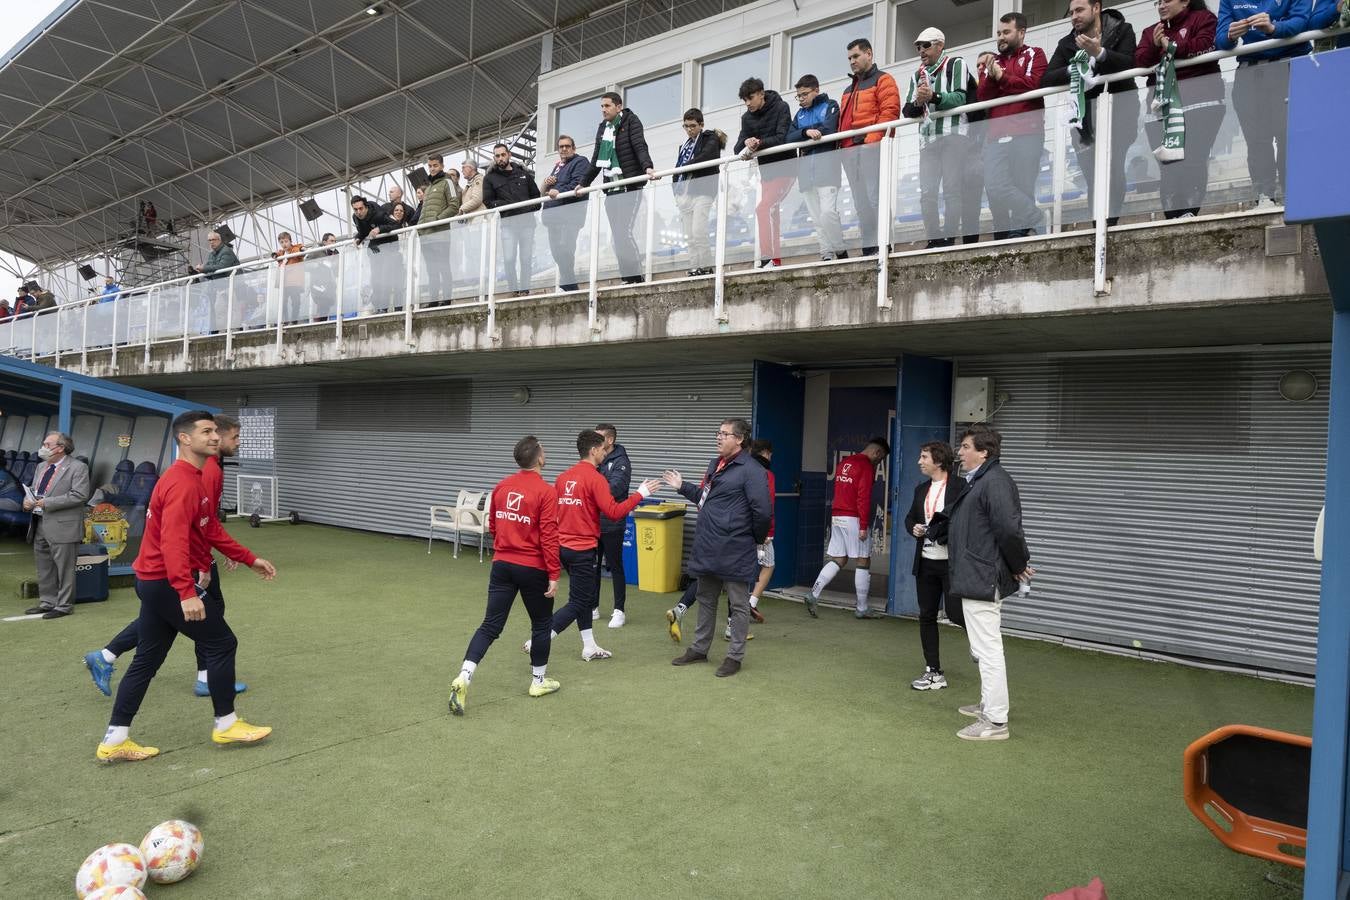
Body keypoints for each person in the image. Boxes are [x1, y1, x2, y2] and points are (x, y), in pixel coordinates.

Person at [95, 411, 276, 762]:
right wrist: (187, 591)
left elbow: (209, 531)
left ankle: (115, 739)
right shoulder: (182, 482)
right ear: (184, 439)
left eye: (214, 432)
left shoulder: (196, 477)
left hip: (152, 580)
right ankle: (226, 724)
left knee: (147, 658)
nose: (214, 437)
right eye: (205, 432)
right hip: (163, 581)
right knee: (222, 642)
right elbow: (173, 541)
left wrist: (250, 558)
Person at [448, 435, 562, 716]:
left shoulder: (501, 486)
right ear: (538, 458)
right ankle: (538, 681)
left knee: (490, 625)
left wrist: (504, 545)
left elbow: (493, 525)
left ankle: (464, 676)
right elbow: (548, 536)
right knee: (541, 622)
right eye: (543, 450)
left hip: (502, 564)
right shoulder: (546, 492)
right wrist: (554, 573)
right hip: (533, 567)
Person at [522, 430, 660, 660]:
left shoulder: (563, 477)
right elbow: (614, 512)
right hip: (582, 550)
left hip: (562, 548)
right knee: (579, 601)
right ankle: (538, 639)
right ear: (594, 450)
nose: (606, 453)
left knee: (582, 598)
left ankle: (589, 646)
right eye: (604, 449)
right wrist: (640, 494)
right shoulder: (596, 478)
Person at [663, 418, 771, 677]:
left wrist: (754, 539)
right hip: (709, 544)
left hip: (735, 547)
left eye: (725, 434)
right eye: (718, 433)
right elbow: (705, 498)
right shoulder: (716, 464)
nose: (719, 438)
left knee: (739, 604)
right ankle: (699, 650)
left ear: (740, 439)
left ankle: (734, 657)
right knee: (706, 599)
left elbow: (763, 512)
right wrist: (683, 487)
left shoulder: (752, 470)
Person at [947, 425, 1033, 742]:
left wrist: (1019, 564)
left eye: (966, 447)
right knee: (982, 648)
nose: (960, 452)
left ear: (984, 452)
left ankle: (995, 722)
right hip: (975, 575)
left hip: (983, 577)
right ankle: (987, 705)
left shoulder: (995, 482)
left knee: (988, 649)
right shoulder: (982, 480)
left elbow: (1009, 530)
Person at [1043, 0, 1141, 227]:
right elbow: (1046, 78)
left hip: (1120, 108)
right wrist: (1076, 67)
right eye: (1071, 12)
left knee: (1113, 166)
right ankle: (1098, 223)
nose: (1074, 16)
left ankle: (1109, 223)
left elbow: (1130, 62)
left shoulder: (1122, 30)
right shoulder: (1067, 42)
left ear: (1096, 8)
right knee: (1091, 173)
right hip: (1083, 116)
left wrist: (1100, 53)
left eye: (1080, 10)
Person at [1216, 0, 1311, 207]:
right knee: (1257, 140)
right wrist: (1231, 35)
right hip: (1250, 72)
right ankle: (1264, 195)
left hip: (1290, 67)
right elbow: (1221, 39)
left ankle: (1294, 195)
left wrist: (1273, 28)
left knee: (1289, 136)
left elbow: (1302, 22)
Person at [1136, 0, 1225, 218]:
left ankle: (1189, 212)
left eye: (1167, 0)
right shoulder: (1151, 31)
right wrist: (1156, 46)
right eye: (1158, 1)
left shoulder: (1204, 18)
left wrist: (1173, 47)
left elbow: (1206, 45)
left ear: (1185, 1)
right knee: (1168, 165)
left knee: (1194, 159)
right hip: (1159, 109)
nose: (1161, 5)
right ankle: (1171, 216)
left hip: (1200, 102)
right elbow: (1138, 63)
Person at [902, 441, 968, 691]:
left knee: (956, 612)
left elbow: (966, 520)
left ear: (938, 461)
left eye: (923, 457)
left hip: (952, 564)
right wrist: (915, 528)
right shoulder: (921, 489)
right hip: (926, 563)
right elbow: (910, 517)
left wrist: (942, 532)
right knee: (926, 615)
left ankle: (979, 643)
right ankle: (933, 671)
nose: (919, 461)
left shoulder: (961, 487)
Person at [977, 13, 1049, 239]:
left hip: (1028, 131)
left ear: (1021, 32)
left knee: (1024, 184)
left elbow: (1033, 84)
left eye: (1006, 32)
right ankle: (1036, 216)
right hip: (997, 133)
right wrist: (992, 76)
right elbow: (983, 97)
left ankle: (1020, 233)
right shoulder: (993, 61)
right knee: (994, 184)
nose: (1001, 37)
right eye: (999, 33)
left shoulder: (1035, 54)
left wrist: (1003, 78)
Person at [804, 437, 890, 619]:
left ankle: (813, 593)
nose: (878, 462)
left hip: (837, 516)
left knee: (839, 558)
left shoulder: (846, 462)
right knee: (863, 560)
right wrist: (864, 526)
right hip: (853, 518)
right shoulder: (865, 466)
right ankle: (862, 607)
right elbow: (863, 497)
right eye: (880, 459)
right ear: (877, 453)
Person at [903, 28, 971, 248]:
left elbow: (961, 98)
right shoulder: (917, 74)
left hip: (953, 136)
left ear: (940, 45)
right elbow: (907, 110)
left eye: (926, 45)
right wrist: (918, 102)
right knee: (927, 193)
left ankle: (949, 238)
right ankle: (933, 239)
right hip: (928, 140)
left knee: (951, 189)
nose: (921, 50)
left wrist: (934, 96)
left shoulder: (956, 64)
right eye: (918, 47)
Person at [579, 92, 655, 285]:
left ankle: (636, 276)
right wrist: (583, 184)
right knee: (617, 235)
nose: (603, 110)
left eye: (607, 106)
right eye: (602, 107)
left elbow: (639, 146)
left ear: (619, 106)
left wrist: (647, 166)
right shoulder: (602, 128)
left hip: (630, 184)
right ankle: (627, 277)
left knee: (624, 231)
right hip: (611, 188)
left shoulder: (631, 121)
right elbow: (597, 158)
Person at [839, 37, 901, 256]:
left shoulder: (884, 80)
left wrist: (870, 143)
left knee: (876, 199)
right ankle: (869, 249)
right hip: (851, 153)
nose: (852, 61)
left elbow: (890, 113)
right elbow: (843, 124)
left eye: (855, 56)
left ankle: (882, 245)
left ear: (869, 54)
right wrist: (843, 149)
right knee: (861, 204)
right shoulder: (848, 89)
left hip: (873, 150)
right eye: (849, 58)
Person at [22, 432, 90, 619]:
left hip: (64, 525)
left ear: (60, 448)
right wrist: (27, 501)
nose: (43, 447)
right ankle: (47, 602)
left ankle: (64, 605)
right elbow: (36, 491)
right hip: (40, 521)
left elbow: (80, 495)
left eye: (47, 444)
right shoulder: (41, 466)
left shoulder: (78, 467)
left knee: (65, 568)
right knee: (44, 566)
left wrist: (47, 502)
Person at [734, 77, 794, 268]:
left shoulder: (781, 107)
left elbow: (782, 137)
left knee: (763, 208)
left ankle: (767, 258)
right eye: (744, 100)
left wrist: (758, 143)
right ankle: (774, 261)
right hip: (766, 173)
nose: (748, 103)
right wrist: (746, 143)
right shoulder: (746, 118)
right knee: (771, 212)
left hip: (787, 168)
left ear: (761, 94)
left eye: (750, 98)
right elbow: (737, 149)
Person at [786, 75, 845, 261]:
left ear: (816, 90)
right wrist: (805, 133)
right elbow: (788, 137)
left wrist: (804, 139)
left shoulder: (831, 105)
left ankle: (841, 251)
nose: (801, 98)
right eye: (798, 95)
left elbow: (828, 129)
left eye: (804, 94)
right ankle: (826, 254)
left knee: (828, 213)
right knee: (817, 219)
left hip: (827, 170)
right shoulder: (799, 114)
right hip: (805, 174)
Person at [483, 142, 541, 297]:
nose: (500, 158)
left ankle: (525, 290)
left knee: (526, 258)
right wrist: (511, 205)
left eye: (503, 154)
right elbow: (488, 202)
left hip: (527, 223)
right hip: (508, 224)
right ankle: (514, 290)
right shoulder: (490, 178)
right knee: (509, 258)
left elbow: (536, 197)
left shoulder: (524, 174)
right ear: (494, 158)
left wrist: (528, 208)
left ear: (509, 155)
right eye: (497, 156)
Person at [672, 108, 724, 277]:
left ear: (701, 125)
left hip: (703, 191)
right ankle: (695, 266)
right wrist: (676, 192)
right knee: (689, 235)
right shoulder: (684, 146)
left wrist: (688, 166)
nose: (689, 130)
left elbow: (708, 156)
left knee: (698, 231)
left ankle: (706, 265)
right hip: (685, 193)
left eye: (692, 126)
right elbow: (677, 168)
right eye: (685, 126)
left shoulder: (710, 138)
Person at [593, 423, 633, 627]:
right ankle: (593, 607)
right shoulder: (594, 458)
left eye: (598, 437)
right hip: (592, 522)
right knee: (592, 566)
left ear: (610, 440)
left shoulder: (622, 462)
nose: (595, 441)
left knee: (615, 566)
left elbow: (615, 488)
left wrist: (593, 488)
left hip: (613, 523)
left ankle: (619, 611)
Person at [542, 134, 590, 292]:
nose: (563, 149)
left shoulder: (580, 161)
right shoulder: (558, 166)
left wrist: (558, 190)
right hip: (553, 216)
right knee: (557, 253)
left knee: (565, 250)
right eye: (561, 146)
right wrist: (547, 185)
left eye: (567, 146)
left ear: (573, 148)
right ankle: (569, 285)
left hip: (569, 215)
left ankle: (570, 286)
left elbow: (578, 183)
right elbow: (548, 191)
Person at [419, 154, 461, 305]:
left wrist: (437, 220)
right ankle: (433, 300)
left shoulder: (447, 182)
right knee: (431, 271)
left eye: (435, 165)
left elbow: (454, 205)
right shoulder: (429, 187)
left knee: (443, 267)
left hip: (440, 234)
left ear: (442, 166)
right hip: (425, 235)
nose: (432, 169)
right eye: (430, 166)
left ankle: (447, 299)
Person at [351, 196, 399, 313]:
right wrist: (358, 238)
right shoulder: (355, 217)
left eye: (361, 208)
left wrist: (379, 229)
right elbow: (363, 232)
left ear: (366, 206)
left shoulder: (378, 213)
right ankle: (378, 307)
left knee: (385, 277)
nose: (358, 212)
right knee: (375, 279)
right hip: (375, 249)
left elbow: (396, 225)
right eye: (355, 209)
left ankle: (384, 307)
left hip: (389, 246)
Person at [746, 439, 775, 627]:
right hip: (758, 530)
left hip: (737, 528)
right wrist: (768, 531)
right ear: (765, 452)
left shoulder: (742, 469)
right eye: (770, 453)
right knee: (768, 564)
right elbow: (767, 505)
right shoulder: (766, 474)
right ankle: (750, 603)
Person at [272, 232, 307, 323]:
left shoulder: (295, 249)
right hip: (283, 282)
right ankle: (286, 321)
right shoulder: (281, 253)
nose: (284, 244)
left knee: (295, 302)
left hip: (294, 282)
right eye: (282, 242)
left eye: (286, 241)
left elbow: (300, 250)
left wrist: (301, 248)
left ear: (290, 241)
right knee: (283, 303)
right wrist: (274, 255)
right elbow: (276, 254)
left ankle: (294, 320)